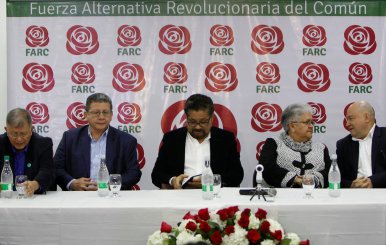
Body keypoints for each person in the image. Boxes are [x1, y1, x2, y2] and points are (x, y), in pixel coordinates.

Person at [151, 93, 244, 189]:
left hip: (214, 194)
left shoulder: (225, 139)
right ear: (186, 119)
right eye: (192, 122)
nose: (198, 126)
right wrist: (173, 180)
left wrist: (212, 180)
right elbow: (157, 174)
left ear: (212, 119)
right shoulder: (172, 139)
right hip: (181, 194)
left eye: (203, 122)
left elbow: (237, 175)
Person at [54, 93, 141, 191]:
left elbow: (133, 173)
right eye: (96, 112)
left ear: (111, 115)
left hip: (112, 197)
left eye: (105, 112)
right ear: (86, 115)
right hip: (77, 197)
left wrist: (109, 185)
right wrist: (72, 183)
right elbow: (56, 168)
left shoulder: (126, 140)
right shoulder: (70, 138)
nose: (101, 117)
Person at [257, 103, 331, 188]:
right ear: (292, 126)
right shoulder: (274, 144)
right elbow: (267, 169)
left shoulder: (321, 148)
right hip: (279, 199)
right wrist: (295, 179)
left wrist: (313, 179)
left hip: (314, 199)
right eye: (307, 122)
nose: (311, 126)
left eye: (312, 122)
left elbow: (330, 173)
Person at [0, 108, 54, 195]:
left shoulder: (43, 144)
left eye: (23, 133)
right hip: (5, 198)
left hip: (33, 199)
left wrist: (35, 184)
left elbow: (47, 171)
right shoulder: (1, 143)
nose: (19, 139)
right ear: (6, 130)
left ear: (31, 130)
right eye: (14, 134)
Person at [336, 100, 386, 188]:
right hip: (355, 196)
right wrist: (351, 185)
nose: (347, 124)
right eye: (346, 120)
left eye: (350, 118)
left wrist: (373, 181)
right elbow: (338, 179)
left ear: (366, 117)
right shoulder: (343, 145)